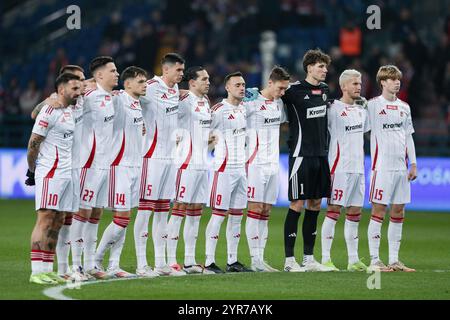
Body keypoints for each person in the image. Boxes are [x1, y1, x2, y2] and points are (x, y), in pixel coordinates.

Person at [30, 65, 89, 281]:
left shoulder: (82, 96)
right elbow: (34, 113)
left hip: (71, 169)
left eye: (84, 80)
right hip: (53, 168)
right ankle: (38, 271)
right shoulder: (56, 102)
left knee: (60, 220)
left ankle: (49, 268)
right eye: (78, 80)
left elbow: (103, 81)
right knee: (46, 218)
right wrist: (47, 100)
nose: (83, 84)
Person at [94, 66, 153, 278]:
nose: (145, 84)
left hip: (135, 167)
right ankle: (96, 259)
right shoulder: (119, 99)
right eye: (140, 81)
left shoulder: (139, 104)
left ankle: (114, 265)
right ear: (127, 84)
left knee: (125, 219)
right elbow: (97, 90)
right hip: (119, 167)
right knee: (122, 218)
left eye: (146, 81)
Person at [281, 49, 335, 272]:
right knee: (298, 204)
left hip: (321, 156)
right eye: (321, 66)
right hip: (301, 156)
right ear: (309, 67)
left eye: (326, 66)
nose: (325, 70)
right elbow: (272, 92)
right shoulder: (292, 90)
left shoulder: (324, 90)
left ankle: (309, 258)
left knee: (315, 204)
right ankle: (289, 261)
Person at [135, 53, 186, 276]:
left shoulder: (175, 91)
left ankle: (160, 263)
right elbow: (125, 96)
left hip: (170, 158)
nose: (182, 74)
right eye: (178, 70)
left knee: (162, 211)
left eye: (183, 71)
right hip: (152, 157)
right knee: (145, 211)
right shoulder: (151, 86)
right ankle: (141, 264)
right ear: (165, 70)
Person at [366, 65, 417, 272]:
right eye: (392, 79)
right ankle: (375, 260)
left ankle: (394, 260)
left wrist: (412, 163)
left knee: (398, 210)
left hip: (400, 168)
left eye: (398, 79)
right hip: (382, 168)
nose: (397, 82)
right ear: (382, 82)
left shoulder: (405, 107)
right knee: (379, 210)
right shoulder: (372, 106)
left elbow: (408, 136)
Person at [166, 66, 215, 274]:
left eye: (208, 79)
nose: (208, 82)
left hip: (203, 163)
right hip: (185, 163)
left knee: (195, 212)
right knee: (179, 209)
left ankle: (189, 260)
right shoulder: (184, 101)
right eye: (204, 79)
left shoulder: (206, 103)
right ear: (192, 82)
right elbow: (165, 107)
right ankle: (169, 260)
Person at [320, 69, 369, 272]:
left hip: (358, 169)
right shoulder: (332, 109)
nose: (359, 87)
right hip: (339, 169)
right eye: (355, 84)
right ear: (344, 87)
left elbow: (365, 134)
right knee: (333, 211)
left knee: (355, 213)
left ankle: (353, 260)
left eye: (359, 83)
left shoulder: (362, 110)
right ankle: (325, 259)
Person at [204, 72, 253, 274]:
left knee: (236, 216)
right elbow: (203, 134)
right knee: (218, 215)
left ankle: (232, 261)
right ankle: (208, 262)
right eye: (237, 85)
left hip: (241, 170)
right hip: (223, 169)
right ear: (227, 87)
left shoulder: (244, 110)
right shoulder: (218, 110)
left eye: (243, 84)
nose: (242, 88)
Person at [243, 66, 290, 272]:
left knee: (266, 210)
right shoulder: (251, 101)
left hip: (273, 163)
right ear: (270, 83)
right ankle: (254, 259)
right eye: (280, 88)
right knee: (254, 209)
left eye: (284, 89)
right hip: (255, 163)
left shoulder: (279, 104)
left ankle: (260, 258)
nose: (282, 93)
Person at [75, 56, 119, 279]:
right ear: (99, 75)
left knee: (96, 213)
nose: (117, 74)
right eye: (113, 71)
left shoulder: (111, 97)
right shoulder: (88, 96)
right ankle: (75, 266)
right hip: (88, 164)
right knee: (82, 212)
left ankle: (90, 264)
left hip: (104, 164)